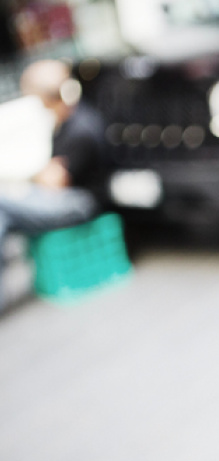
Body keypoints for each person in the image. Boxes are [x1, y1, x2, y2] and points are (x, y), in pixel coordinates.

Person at [0, 59, 103, 310]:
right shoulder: (56, 123)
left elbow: (54, 183)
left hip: (80, 202)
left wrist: (30, 175)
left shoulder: (80, 128)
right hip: (60, 198)